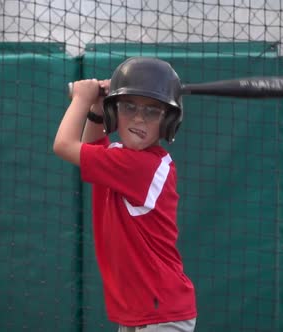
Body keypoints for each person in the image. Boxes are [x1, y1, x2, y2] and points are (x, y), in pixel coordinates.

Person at [53, 57, 197, 332]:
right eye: (129, 107)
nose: (139, 118)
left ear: (168, 122)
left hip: (161, 312)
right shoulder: (124, 158)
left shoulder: (140, 166)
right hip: (143, 308)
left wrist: (82, 99)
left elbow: (64, 145)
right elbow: (92, 144)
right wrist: (97, 107)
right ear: (114, 112)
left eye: (153, 111)